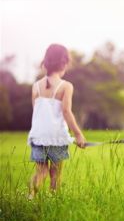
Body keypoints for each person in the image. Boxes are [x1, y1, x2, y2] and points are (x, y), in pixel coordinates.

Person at [27, 44, 86, 199]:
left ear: (45, 63)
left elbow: (37, 112)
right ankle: (53, 200)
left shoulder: (35, 87)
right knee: (55, 173)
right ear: (64, 63)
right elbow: (66, 112)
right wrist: (78, 134)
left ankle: (30, 196)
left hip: (38, 136)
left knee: (41, 171)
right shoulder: (66, 86)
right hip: (56, 137)